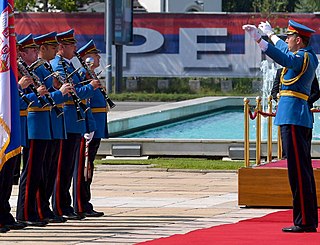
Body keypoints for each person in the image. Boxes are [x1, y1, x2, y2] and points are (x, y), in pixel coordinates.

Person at [243, 20, 318, 232]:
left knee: (298, 171)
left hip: (294, 116)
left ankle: (304, 221)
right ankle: (306, 219)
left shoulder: (304, 57)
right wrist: (270, 35)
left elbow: (283, 56)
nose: (286, 40)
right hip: (293, 116)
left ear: (299, 40)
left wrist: (260, 40)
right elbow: (285, 50)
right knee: (300, 170)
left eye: (289, 37)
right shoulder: (304, 54)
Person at [51, 29, 100, 220]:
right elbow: (72, 92)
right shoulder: (59, 65)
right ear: (61, 48)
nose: (75, 48)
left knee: (68, 166)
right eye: (72, 45)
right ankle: (60, 206)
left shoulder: (68, 65)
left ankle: (65, 206)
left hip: (75, 121)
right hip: (68, 120)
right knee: (62, 168)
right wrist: (91, 87)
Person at [33, 31, 72, 223]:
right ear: (43, 49)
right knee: (38, 172)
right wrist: (60, 92)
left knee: (49, 171)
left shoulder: (47, 68)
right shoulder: (38, 69)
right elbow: (40, 99)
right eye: (53, 47)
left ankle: (44, 209)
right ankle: (36, 210)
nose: (57, 50)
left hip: (51, 124)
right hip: (41, 124)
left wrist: (59, 89)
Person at [73, 40, 107, 217]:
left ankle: (85, 202)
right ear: (87, 58)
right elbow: (82, 98)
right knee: (84, 166)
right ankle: (80, 203)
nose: (99, 57)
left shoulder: (90, 75)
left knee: (89, 166)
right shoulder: (84, 75)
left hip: (96, 125)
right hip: (89, 124)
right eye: (95, 55)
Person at [271, 68, 320, 159]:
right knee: (287, 146)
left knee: (304, 146)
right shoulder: (281, 72)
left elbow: (316, 92)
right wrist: (279, 100)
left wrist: (305, 101)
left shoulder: (309, 71)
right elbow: (274, 91)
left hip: (304, 112)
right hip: (287, 113)